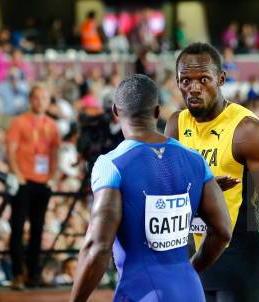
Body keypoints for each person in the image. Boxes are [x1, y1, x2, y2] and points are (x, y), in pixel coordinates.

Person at [70, 74, 232, 302]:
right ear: (157, 112)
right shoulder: (195, 160)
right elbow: (223, 232)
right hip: (190, 290)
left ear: (116, 112)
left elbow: (98, 246)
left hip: (139, 292)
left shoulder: (111, 165)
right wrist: (188, 270)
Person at [165, 42, 259, 302]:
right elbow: (169, 198)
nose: (193, 88)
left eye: (203, 79)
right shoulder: (176, 127)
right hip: (200, 265)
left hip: (248, 269)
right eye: (185, 81)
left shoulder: (248, 132)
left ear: (221, 79)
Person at [6, 84, 61, 289]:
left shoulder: (52, 125)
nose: (40, 102)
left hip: (43, 182)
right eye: (37, 98)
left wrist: (53, 176)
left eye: (44, 98)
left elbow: (55, 152)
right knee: (18, 228)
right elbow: (10, 150)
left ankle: (33, 275)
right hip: (23, 181)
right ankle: (18, 274)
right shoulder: (19, 122)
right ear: (31, 99)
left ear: (48, 101)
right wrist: (17, 173)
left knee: (38, 229)